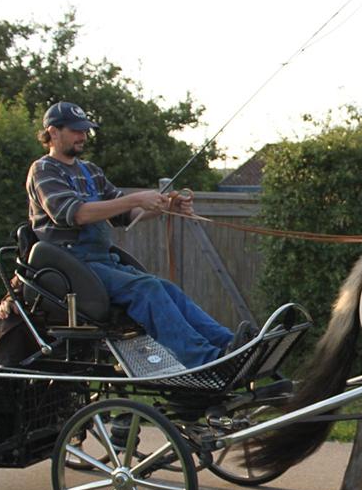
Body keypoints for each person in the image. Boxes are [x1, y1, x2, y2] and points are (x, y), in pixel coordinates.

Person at [24, 101, 242, 367]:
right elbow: (74, 214)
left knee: (165, 287)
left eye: (85, 130)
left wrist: (166, 207)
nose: (83, 136)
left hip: (100, 260)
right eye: (75, 130)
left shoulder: (89, 171)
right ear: (53, 132)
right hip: (71, 265)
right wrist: (136, 198)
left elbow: (126, 215)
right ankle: (206, 361)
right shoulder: (44, 170)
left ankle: (231, 345)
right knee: (146, 289)